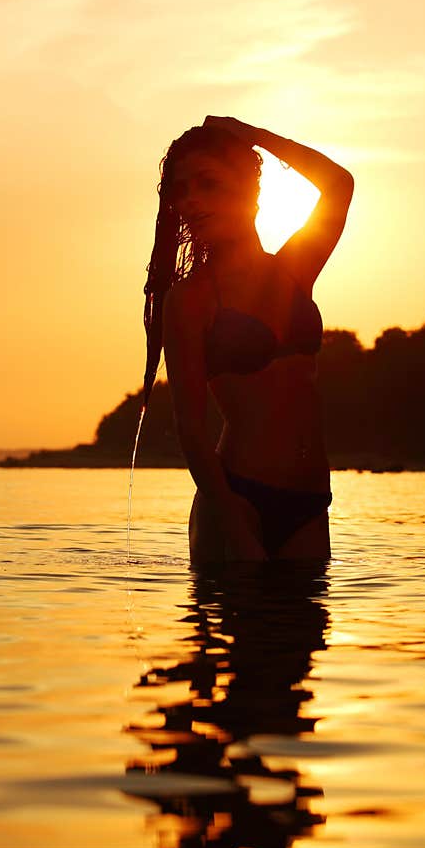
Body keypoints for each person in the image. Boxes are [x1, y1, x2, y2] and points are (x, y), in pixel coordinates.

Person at [140, 115, 353, 563]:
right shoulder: (191, 299)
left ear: (250, 191)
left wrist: (252, 135)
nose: (191, 200)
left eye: (208, 184)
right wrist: (233, 524)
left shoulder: (294, 268)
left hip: (311, 504)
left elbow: (338, 184)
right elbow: (191, 430)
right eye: (182, 189)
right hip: (237, 500)